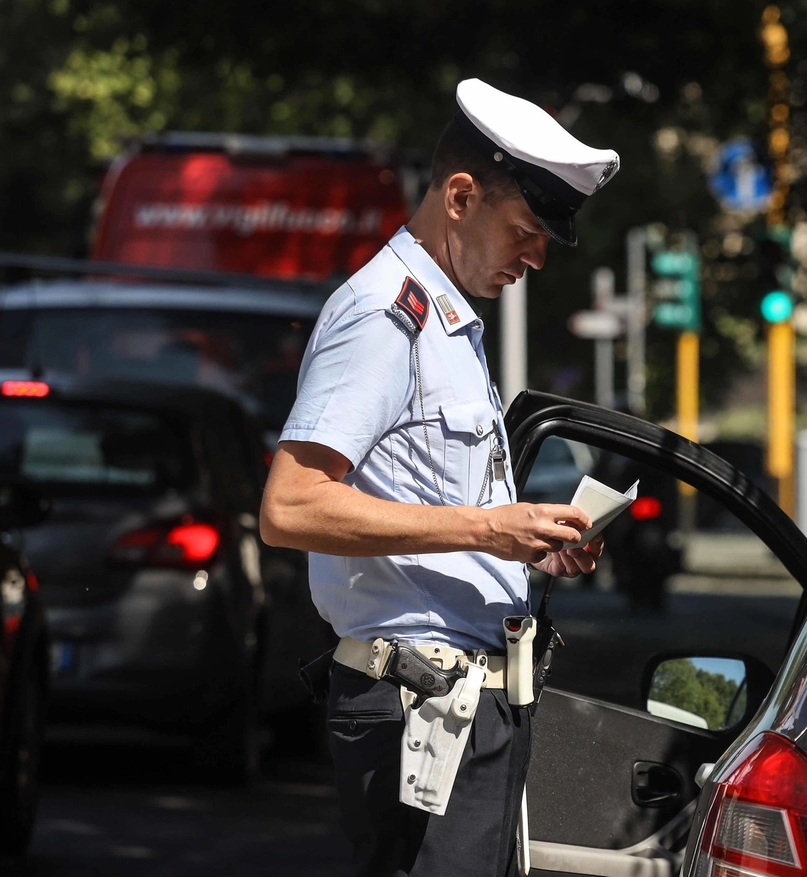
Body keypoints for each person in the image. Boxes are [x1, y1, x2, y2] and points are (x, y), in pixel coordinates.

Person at [260, 78, 621, 877]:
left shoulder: (447, 317)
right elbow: (289, 506)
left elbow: (431, 505)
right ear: (460, 196)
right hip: (417, 703)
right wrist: (490, 528)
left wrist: (526, 546)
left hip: (460, 706)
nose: (534, 256)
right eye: (526, 230)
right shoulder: (384, 316)